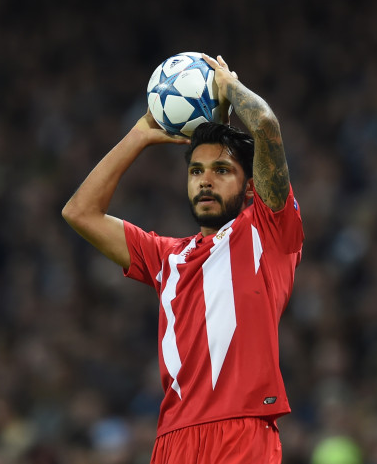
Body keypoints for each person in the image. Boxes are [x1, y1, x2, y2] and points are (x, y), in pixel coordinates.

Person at [62, 54, 304, 464]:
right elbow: (79, 212)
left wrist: (229, 88)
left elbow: (265, 125)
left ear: (250, 188)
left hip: (242, 430)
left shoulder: (268, 232)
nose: (205, 180)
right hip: (173, 440)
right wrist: (139, 135)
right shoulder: (167, 257)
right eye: (196, 171)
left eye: (221, 170)